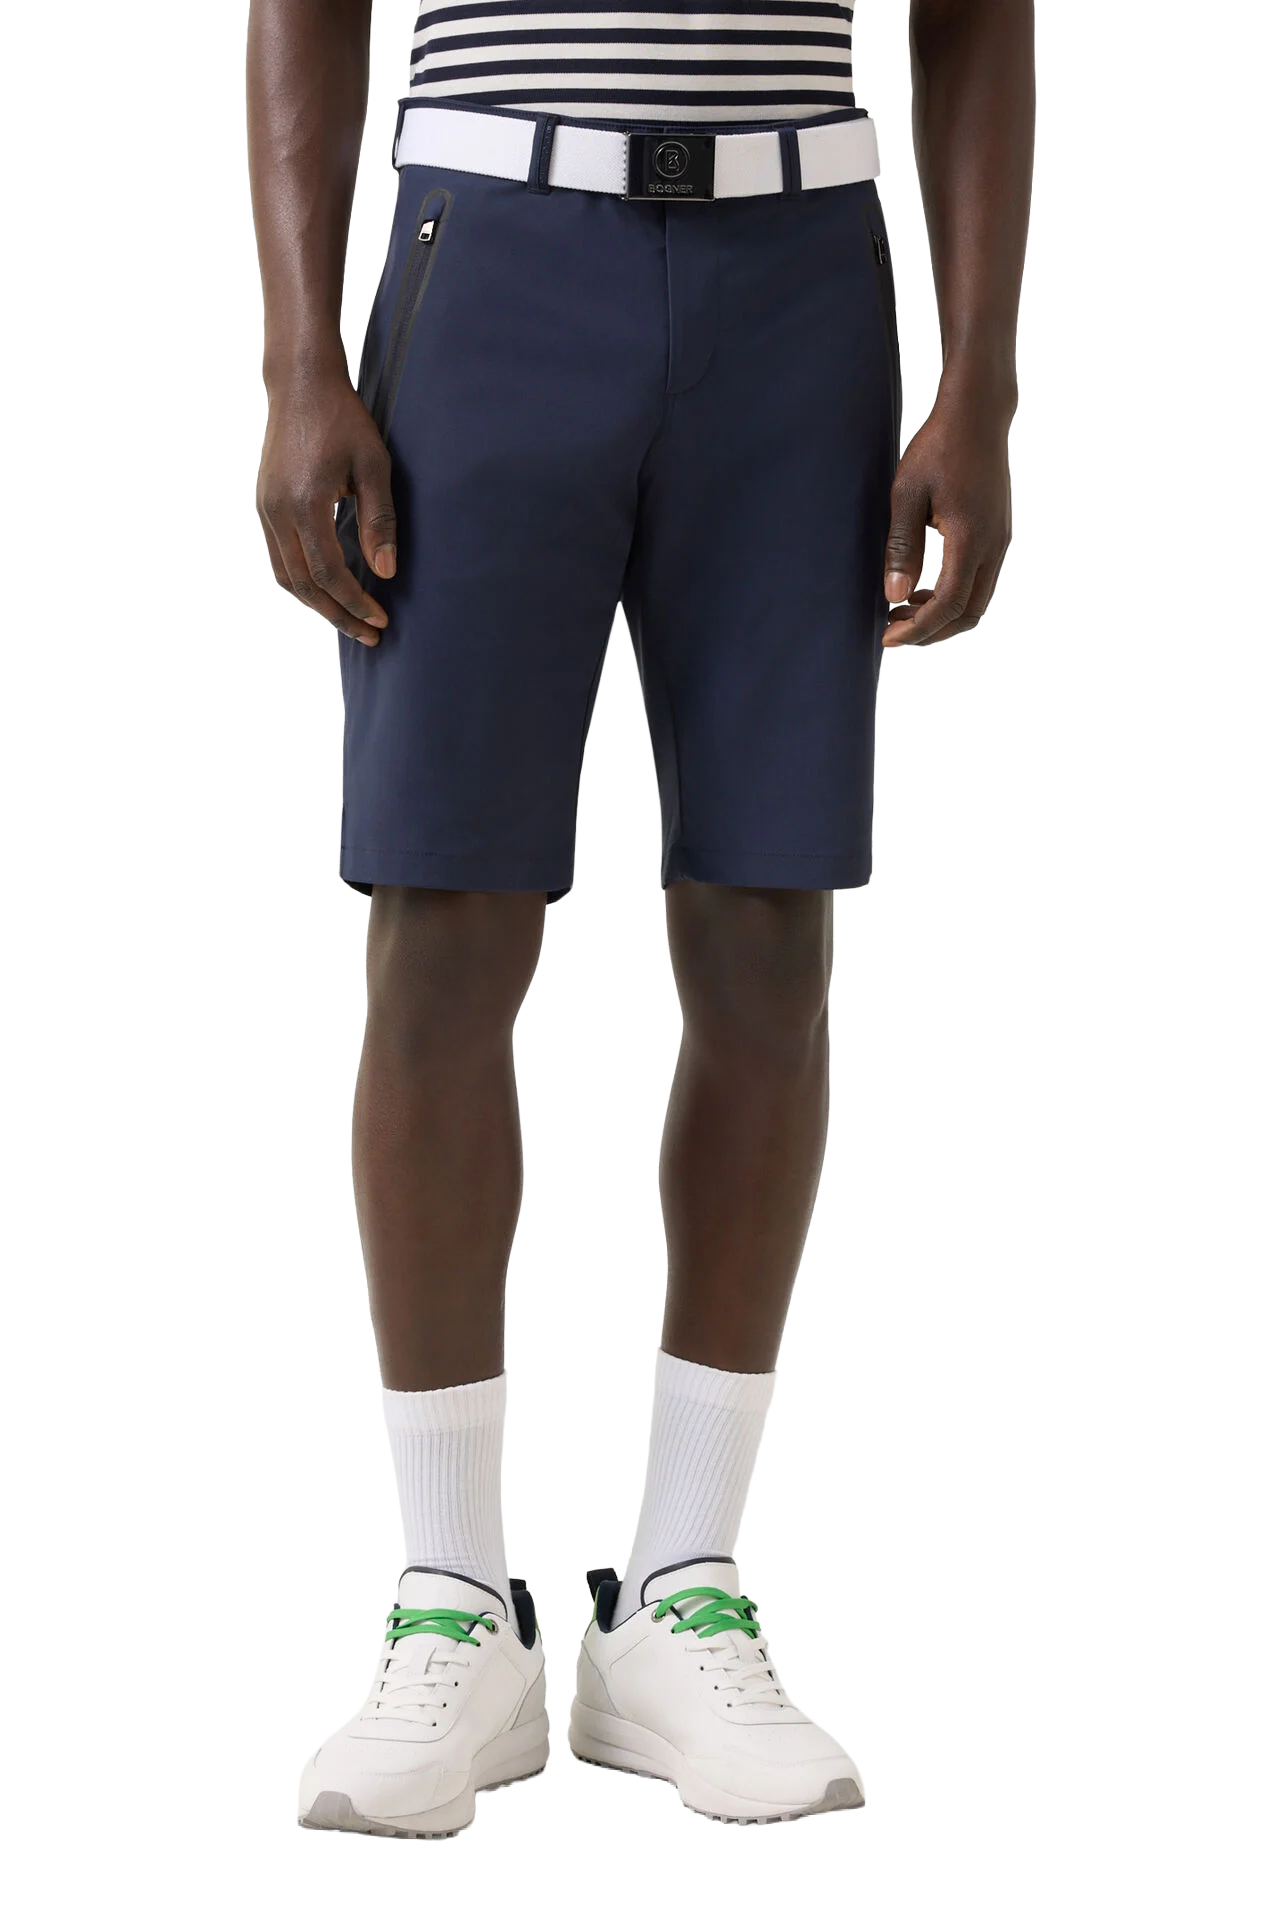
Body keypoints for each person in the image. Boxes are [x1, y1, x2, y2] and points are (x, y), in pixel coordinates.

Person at [249, 0, 1033, 1839]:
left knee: (768, 927)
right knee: (445, 919)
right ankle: (455, 1601)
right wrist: (296, 356)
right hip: (491, 257)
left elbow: (977, 18)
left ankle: (678, 1591)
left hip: (799, 276)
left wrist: (982, 385)